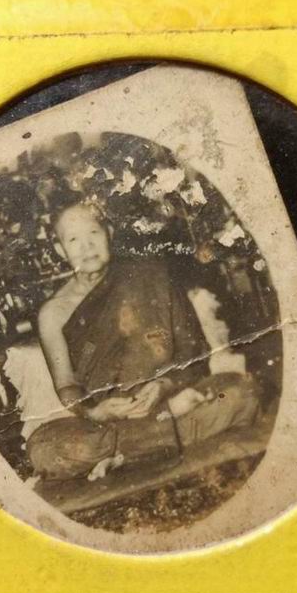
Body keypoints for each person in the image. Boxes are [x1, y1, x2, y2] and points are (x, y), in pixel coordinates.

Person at [26, 201, 259, 481]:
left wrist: (164, 387)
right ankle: (159, 433)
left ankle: (125, 451)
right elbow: (66, 386)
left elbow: (193, 354)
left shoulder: (152, 275)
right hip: (111, 418)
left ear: (109, 233)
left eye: (94, 233)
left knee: (243, 391)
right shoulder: (53, 313)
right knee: (43, 449)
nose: (87, 247)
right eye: (73, 239)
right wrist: (96, 413)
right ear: (60, 249)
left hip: (165, 398)